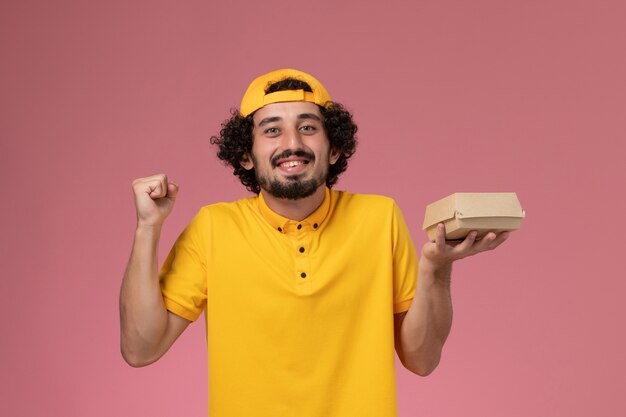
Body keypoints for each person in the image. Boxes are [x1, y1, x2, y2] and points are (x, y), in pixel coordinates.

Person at [119, 68, 509, 417]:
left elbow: (422, 360)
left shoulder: (379, 218)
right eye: (272, 130)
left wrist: (437, 268)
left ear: (334, 148)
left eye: (308, 127)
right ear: (245, 156)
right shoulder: (212, 228)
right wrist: (147, 227)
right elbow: (140, 350)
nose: (293, 143)